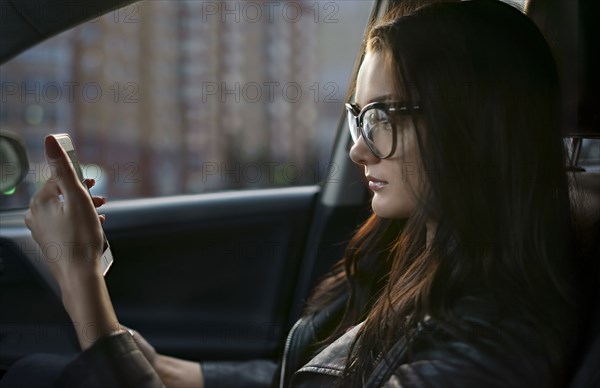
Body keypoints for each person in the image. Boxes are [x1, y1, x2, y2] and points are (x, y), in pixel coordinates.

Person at [2, 0, 581, 386]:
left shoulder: (491, 345)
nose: (358, 149)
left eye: (381, 117)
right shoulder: (424, 253)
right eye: (358, 117)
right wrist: (171, 370)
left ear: (471, 126)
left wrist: (81, 281)